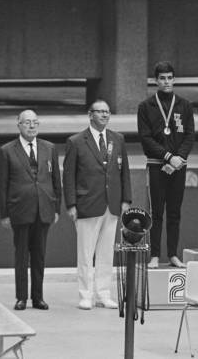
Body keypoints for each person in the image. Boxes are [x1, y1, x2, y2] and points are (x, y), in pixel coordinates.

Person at [63, 100, 132, 310]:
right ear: (90, 115)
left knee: (106, 253)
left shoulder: (117, 139)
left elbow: (124, 172)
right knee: (85, 253)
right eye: (100, 112)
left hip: (111, 204)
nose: (104, 115)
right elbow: (68, 176)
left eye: (107, 112)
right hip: (87, 204)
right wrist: (71, 204)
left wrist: (126, 200)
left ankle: (103, 293)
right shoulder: (76, 141)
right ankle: (86, 294)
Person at [0, 110, 61, 311]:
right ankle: (21, 297)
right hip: (20, 210)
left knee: (39, 256)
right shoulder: (6, 151)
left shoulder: (49, 148)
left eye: (35, 123)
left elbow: (56, 180)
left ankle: (38, 297)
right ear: (19, 125)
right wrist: (4, 213)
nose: (31, 126)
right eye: (27, 123)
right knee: (22, 256)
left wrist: (56, 208)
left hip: (44, 209)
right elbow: (1, 185)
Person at [137, 61, 195, 269]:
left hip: (179, 166)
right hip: (156, 166)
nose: (166, 82)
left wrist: (178, 159)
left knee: (174, 212)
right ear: (155, 81)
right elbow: (146, 139)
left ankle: (172, 254)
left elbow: (189, 136)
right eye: (162, 78)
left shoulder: (184, 105)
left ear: (174, 79)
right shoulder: (146, 107)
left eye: (170, 78)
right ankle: (154, 255)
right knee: (156, 212)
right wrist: (169, 156)